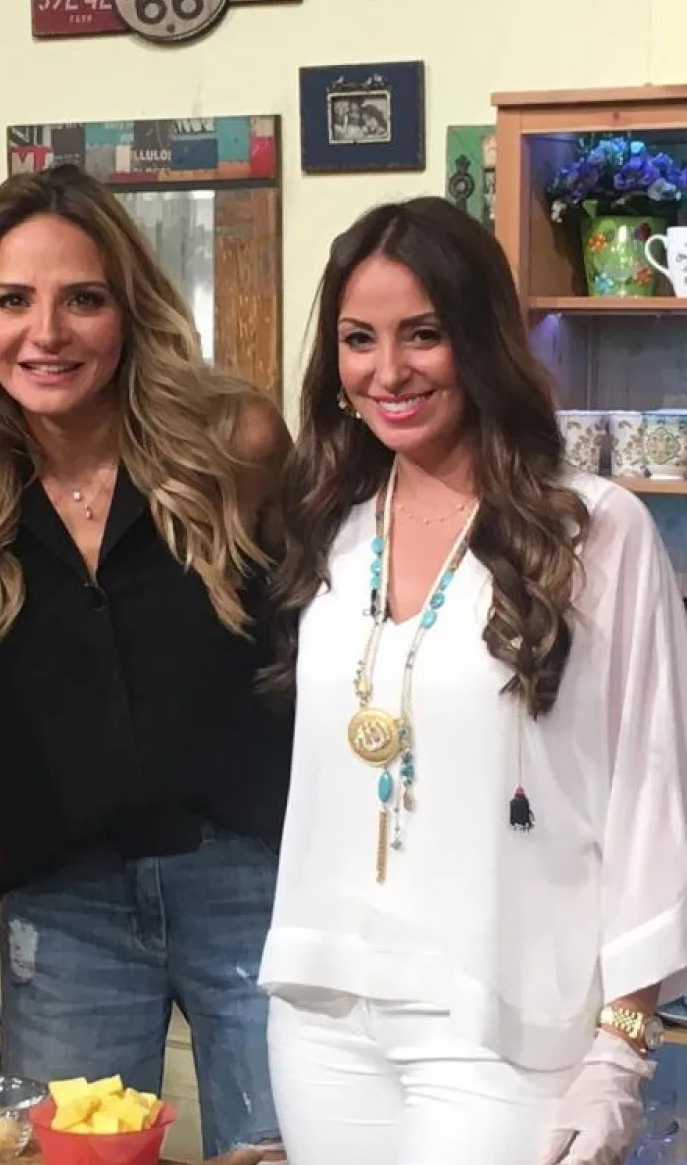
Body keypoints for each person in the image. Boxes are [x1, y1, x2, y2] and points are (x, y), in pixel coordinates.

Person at [256, 196, 687, 1165]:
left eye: (424, 334)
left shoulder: (592, 531)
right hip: (324, 1016)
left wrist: (623, 1044)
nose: (388, 371)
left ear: (483, 337)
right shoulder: (332, 522)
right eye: (359, 340)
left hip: (505, 1022)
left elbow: (651, 791)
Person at [0, 164, 293, 1158]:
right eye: (14, 300)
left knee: (279, 1148)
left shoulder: (236, 441)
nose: (46, 332)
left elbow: (318, 640)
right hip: (65, 893)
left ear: (131, 311)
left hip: (251, 873)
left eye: (82, 299)